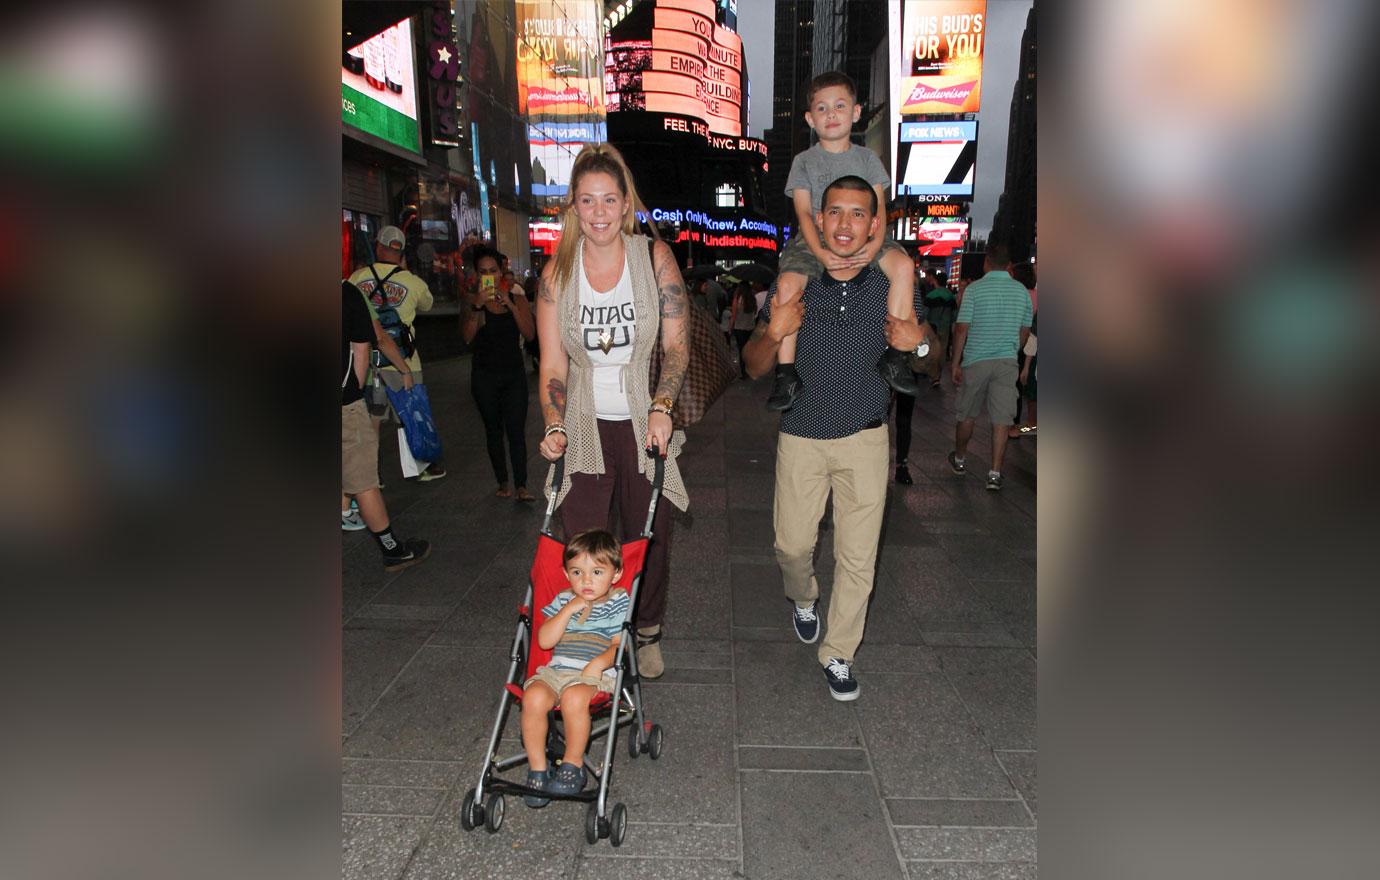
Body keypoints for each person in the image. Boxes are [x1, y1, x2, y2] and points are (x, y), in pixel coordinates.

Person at [741, 175, 928, 701]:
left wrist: (917, 347)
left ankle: (839, 652)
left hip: (866, 439)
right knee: (791, 546)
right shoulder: (795, 279)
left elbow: (924, 353)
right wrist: (773, 332)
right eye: (835, 213)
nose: (845, 225)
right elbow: (752, 367)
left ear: (874, 224)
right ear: (818, 220)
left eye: (857, 214)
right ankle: (803, 597)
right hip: (801, 436)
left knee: (858, 557)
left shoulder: (890, 279)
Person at [534, 143, 691, 681]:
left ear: (626, 204)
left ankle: (646, 630)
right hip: (583, 425)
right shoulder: (557, 275)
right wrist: (554, 424)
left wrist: (664, 406)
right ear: (573, 208)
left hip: (644, 421)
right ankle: (589, 632)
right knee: (585, 542)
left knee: (650, 535)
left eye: (609, 200)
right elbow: (553, 366)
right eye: (587, 201)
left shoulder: (653, 257)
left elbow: (676, 346)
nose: (598, 212)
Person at [766, 71, 919, 412]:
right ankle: (786, 372)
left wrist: (872, 247)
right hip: (813, 238)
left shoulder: (867, 159)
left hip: (866, 235)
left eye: (839, 106)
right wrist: (819, 249)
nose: (831, 114)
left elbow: (879, 208)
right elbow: (805, 213)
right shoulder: (803, 161)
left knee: (904, 266)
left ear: (856, 112)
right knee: (788, 285)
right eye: (822, 108)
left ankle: (895, 356)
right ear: (810, 118)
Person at [518, 528, 629, 805]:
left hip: (594, 675)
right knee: (532, 697)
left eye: (597, 572)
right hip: (556, 672)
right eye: (577, 572)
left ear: (615, 575)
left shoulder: (617, 602)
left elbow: (620, 645)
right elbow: (544, 641)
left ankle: (572, 764)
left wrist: (599, 663)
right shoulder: (563, 601)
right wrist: (568, 609)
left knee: (573, 698)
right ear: (567, 575)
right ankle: (538, 769)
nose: (586, 580)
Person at [347, 225, 447, 481]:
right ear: (401, 252)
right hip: (406, 362)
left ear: (378, 247)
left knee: (373, 420)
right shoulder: (412, 282)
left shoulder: (356, 278)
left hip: (368, 362)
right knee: (411, 416)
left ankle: (372, 476)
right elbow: (427, 304)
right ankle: (421, 468)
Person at [342, 281, 430, 571]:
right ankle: (392, 548)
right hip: (343, 405)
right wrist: (353, 393)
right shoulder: (346, 293)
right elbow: (362, 351)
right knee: (363, 479)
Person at [947, 243, 1034, 491]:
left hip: (975, 360)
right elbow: (1025, 330)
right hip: (1007, 361)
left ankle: (960, 459)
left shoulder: (974, 290)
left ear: (987, 263)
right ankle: (994, 472)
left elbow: (962, 327)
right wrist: (1011, 349)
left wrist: (956, 362)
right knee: (1002, 419)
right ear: (1008, 265)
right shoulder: (1021, 293)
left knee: (967, 414)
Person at [463, 246, 537, 501]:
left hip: (513, 375)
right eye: (483, 272)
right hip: (484, 376)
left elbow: (529, 334)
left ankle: (522, 485)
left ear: (501, 271)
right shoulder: (473, 300)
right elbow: (467, 337)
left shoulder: (516, 296)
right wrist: (477, 307)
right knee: (493, 430)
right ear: (477, 274)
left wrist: (511, 305)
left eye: (493, 271)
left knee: (516, 430)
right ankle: (503, 482)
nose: (489, 276)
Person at [923, 269, 958, 389]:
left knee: (932, 351)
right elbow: (954, 316)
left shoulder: (930, 296)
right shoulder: (951, 297)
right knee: (942, 352)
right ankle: (938, 375)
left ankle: (934, 376)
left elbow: (925, 315)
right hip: (945, 328)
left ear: (936, 281)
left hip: (932, 329)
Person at [730, 281, 758, 379]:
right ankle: (751, 371)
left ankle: (744, 373)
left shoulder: (737, 299)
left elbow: (733, 316)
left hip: (740, 328)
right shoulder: (752, 299)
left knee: (741, 351)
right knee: (749, 350)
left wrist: (730, 328)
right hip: (750, 328)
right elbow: (755, 313)